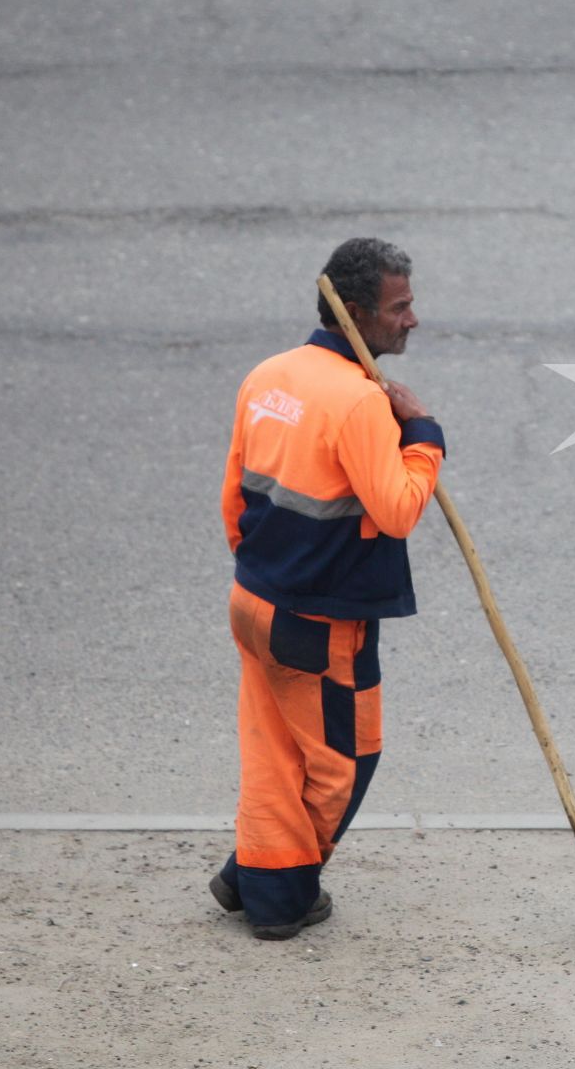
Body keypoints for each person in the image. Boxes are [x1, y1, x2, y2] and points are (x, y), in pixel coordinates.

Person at [209, 237, 445, 940]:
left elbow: (233, 498)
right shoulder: (358, 403)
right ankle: (278, 899)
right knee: (345, 760)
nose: (413, 320)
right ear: (356, 315)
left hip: (254, 599)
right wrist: (424, 435)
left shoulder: (269, 376)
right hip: (320, 621)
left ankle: (242, 875)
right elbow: (398, 507)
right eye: (399, 307)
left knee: (273, 752)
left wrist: (266, 572)